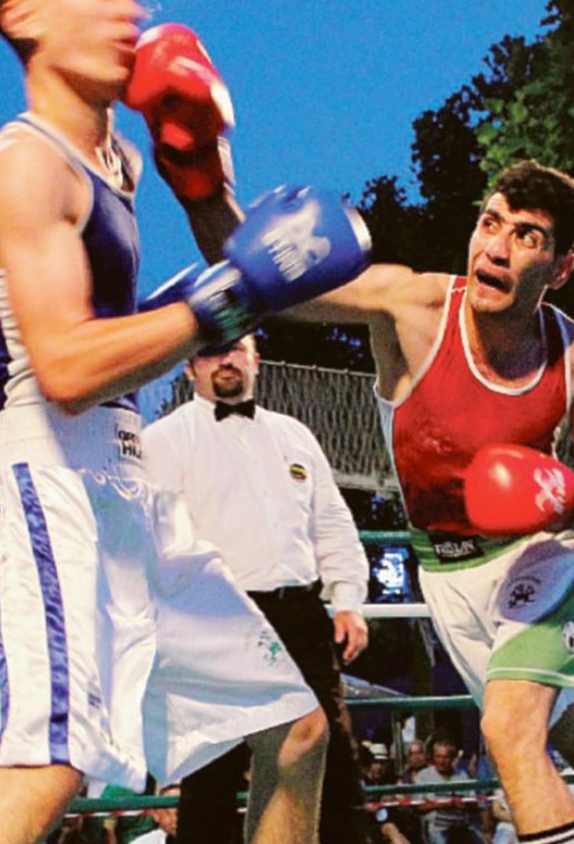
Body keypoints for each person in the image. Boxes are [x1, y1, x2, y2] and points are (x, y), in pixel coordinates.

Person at [0, 0, 374, 844]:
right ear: (24, 13)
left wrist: (204, 183)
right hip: (49, 483)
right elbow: (64, 366)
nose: (127, 13)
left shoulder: (119, 158)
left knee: (295, 728)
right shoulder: (24, 167)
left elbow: (247, 270)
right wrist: (217, 302)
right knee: (41, 772)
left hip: (131, 492)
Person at [294, 160, 574, 844]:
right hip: (447, 573)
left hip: (542, 558)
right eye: (490, 224)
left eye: (526, 236)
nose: (496, 247)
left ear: (560, 267)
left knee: (508, 730)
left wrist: (572, 497)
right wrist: (206, 188)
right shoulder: (415, 306)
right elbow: (274, 289)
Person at [144, 334, 374, 844]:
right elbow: (158, 544)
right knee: (213, 774)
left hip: (301, 615)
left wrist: (349, 600)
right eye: (210, 350)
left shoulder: (294, 434)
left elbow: (332, 522)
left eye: (236, 348)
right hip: (217, 619)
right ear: (189, 368)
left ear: (256, 358)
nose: (225, 359)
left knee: (333, 762)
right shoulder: (163, 440)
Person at [414, 740, 482, 844]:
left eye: (445, 757)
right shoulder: (424, 776)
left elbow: (474, 802)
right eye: (438, 757)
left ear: (452, 758)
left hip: (462, 826)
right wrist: (440, 804)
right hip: (438, 828)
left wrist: (464, 804)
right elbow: (418, 805)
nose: (441, 761)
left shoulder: (462, 775)